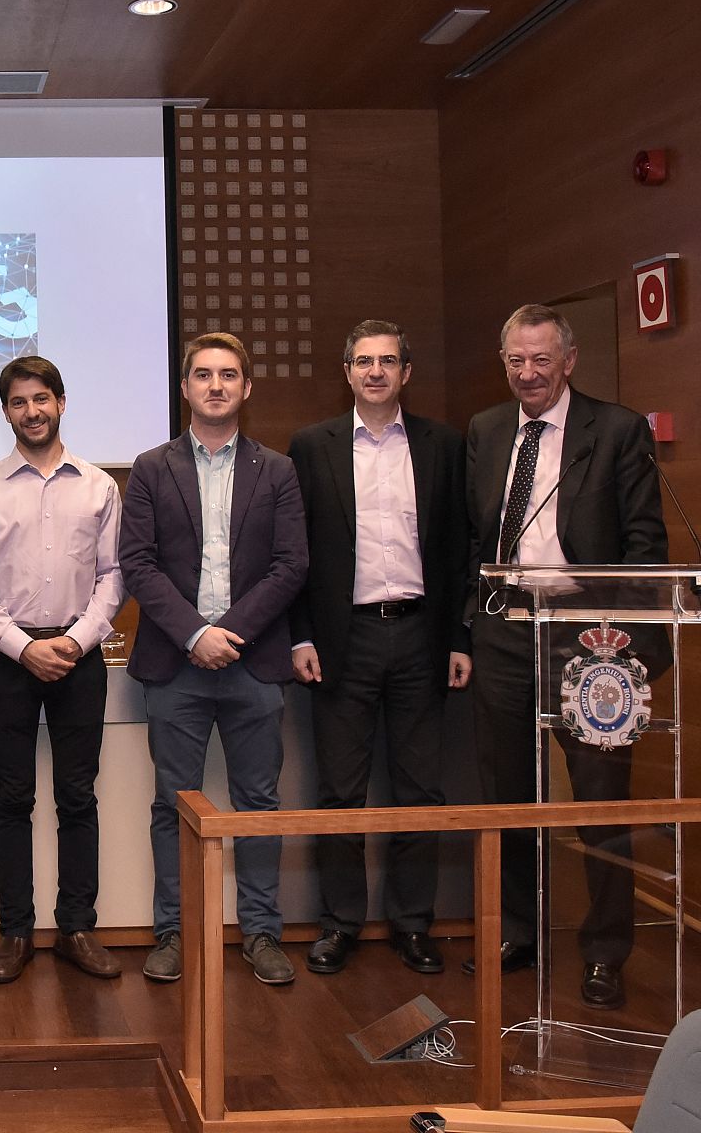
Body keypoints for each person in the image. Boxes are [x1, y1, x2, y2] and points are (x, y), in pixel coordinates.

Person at [465, 303, 666, 1010]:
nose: (527, 374)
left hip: (591, 638)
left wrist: (633, 648)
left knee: (601, 800)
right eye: (516, 361)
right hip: (505, 630)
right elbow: (474, 540)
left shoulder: (615, 431)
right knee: (508, 795)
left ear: (569, 360)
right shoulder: (488, 430)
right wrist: (470, 629)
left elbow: (647, 547)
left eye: (541, 360)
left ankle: (607, 953)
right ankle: (519, 932)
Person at [119, 331, 308, 986]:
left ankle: (260, 934)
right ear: (185, 388)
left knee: (258, 803)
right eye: (203, 375)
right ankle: (173, 933)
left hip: (253, 666)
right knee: (174, 805)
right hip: (176, 665)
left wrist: (232, 632)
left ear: (246, 388)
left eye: (229, 374)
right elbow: (137, 563)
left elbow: (291, 566)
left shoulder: (278, 470)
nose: (216, 385)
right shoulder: (151, 468)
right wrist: (195, 634)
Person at [288, 320, 470, 976]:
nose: (375, 372)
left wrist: (459, 638)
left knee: (420, 790)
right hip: (344, 638)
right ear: (346, 371)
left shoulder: (443, 446)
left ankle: (412, 925)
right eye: (363, 361)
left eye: (388, 361)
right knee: (340, 792)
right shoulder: (312, 447)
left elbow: (457, 551)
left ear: (406, 372)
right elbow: (298, 555)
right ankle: (340, 923)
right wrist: (301, 634)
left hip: (422, 634)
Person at [0, 356, 126, 983]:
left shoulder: (100, 486)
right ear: (6, 412)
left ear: (61, 401)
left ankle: (77, 927)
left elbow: (114, 577)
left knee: (78, 797)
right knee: (14, 799)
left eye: (42, 399)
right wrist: (22, 646)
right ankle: (15, 932)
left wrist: (77, 642)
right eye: (20, 402)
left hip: (79, 660)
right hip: (7, 661)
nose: (33, 411)